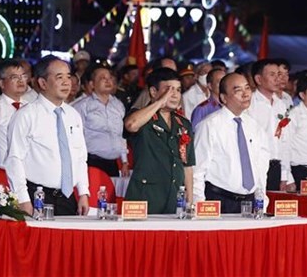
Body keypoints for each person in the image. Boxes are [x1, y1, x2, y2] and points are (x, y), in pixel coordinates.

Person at [5, 55, 90, 216]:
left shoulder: (73, 115)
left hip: (67, 197)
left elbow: (80, 157)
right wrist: (23, 199)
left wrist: (83, 192)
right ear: (42, 83)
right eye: (59, 77)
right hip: (37, 196)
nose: (67, 82)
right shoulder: (26, 115)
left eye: (68, 76)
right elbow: (14, 159)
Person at [193, 73, 270, 213]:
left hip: (250, 200)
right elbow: (197, 170)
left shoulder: (255, 127)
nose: (245, 94)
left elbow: (261, 168)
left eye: (247, 88)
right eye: (238, 90)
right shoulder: (209, 125)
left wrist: (261, 201)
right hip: (220, 200)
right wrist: (199, 204)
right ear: (223, 98)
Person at [123, 67, 195, 214]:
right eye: (169, 90)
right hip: (146, 195)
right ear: (153, 92)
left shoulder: (183, 124)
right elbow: (131, 125)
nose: (174, 95)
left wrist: (190, 198)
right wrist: (159, 102)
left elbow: (187, 165)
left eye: (178, 90)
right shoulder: (142, 117)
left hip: (175, 195)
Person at [72, 63, 129, 178]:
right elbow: (75, 137)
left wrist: (124, 161)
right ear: (92, 84)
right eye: (102, 78)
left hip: (113, 163)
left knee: (111, 194)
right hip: (91, 162)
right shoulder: (82, 106)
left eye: (109, 78)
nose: (108, 81)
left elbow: (121, 135)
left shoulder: (118, 105)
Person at [247, 59, 294, 191]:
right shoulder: (250, 103)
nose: (277, 79)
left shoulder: (281, 104)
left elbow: (285, 141)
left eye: (278, 74)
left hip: (276, 166)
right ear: (258, 79)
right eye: (272, 75)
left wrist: (285, 175)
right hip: (255, 164)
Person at [190, 67, 226, 131]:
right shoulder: (201, 109)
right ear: (210, 86)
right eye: (219, 81)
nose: (223, 84)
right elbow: (196, 134)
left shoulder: (231, 105)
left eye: (225, 81)